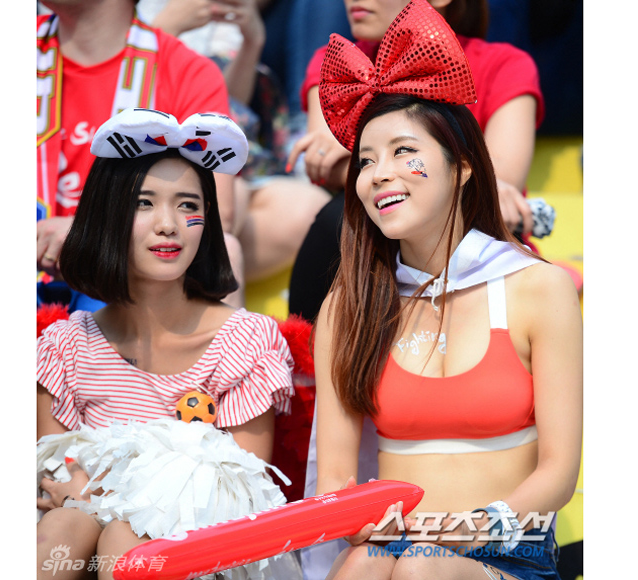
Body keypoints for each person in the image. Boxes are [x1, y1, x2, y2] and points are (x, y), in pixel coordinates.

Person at [312, 1, 582, 579]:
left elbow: (559, 473)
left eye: (404, 152)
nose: (379, 173)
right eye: (366, 161)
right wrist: (375, 529)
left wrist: (454, 533)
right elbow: (335, 480)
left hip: (510, 549)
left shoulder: (538, 288)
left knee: (421, 569)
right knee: (363, 569)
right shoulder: (348, 305)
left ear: (462, 166)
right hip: (394, 547)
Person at [36, 109, 301, 580]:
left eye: (187, 205)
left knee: (127, 537)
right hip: (76, 542)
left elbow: (240, 491)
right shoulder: (65, 348)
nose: (168, 224)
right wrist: (88, 500)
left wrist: (106, 500)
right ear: (107, 214)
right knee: (63, 527)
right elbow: (54, 478)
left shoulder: (246, 343)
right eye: (144, 203)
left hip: (203, 554)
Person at [287, 0, 544, 322]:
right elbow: (324, 163)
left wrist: (351, 153)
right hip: (375, 248)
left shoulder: (505, 63)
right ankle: (310, 349)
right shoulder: (340, 62)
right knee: (339, 218)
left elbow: (498, 181)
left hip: (472, 239)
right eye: (367, 160)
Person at [36, 0, 244, 309]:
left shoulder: (185, 70)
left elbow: (217, 216)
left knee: (226, 248)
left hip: (120, 273)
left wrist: (88, 231)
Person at [137, 0, 332, 283]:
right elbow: (123, 99)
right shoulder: (136, 12)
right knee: (222, 215)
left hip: (233, 157)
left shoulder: (220, 19)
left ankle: (196, 286)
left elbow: (226, 107)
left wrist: (252, 41)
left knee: (313, 211)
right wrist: (166, 29)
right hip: (161, 154)